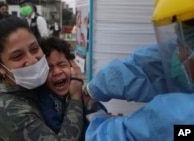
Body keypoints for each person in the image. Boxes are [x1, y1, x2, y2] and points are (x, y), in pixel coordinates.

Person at [83, 2, 194, 141]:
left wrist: (96, 118)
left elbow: (131, 136)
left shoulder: (183, 120)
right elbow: (152, 69)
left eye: (182, 47)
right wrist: (94, 88)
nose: (178, 55)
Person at [0, 6, 84, 140]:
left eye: (34, 49)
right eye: (17, 56)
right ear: (0, 67)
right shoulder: (6, 109)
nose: (32, 61)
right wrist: (76, 98)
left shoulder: (28, 85)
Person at [37, 37, 107, 140]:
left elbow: (103, 119)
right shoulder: (44, 100)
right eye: (49, 68)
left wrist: (89, 104)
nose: (57, 72)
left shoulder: (79, 89)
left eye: (62, 64)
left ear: (73, 66)